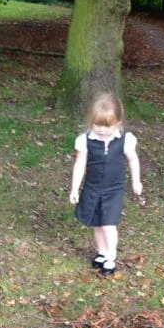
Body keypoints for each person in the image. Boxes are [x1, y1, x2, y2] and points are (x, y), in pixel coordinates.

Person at [69, 93, 143, 276]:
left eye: (107, 126)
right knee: (97, 222)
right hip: (92, 187)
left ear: (117, 123)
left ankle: (111, 257)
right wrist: (74, 188)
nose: (101, 130)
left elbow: (133, 160)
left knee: (109, 224)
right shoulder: (85, 141)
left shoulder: (125, 141)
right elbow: (79, 165)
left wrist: (136, 180)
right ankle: (102, 252)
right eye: (97, 125)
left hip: (114, 189)